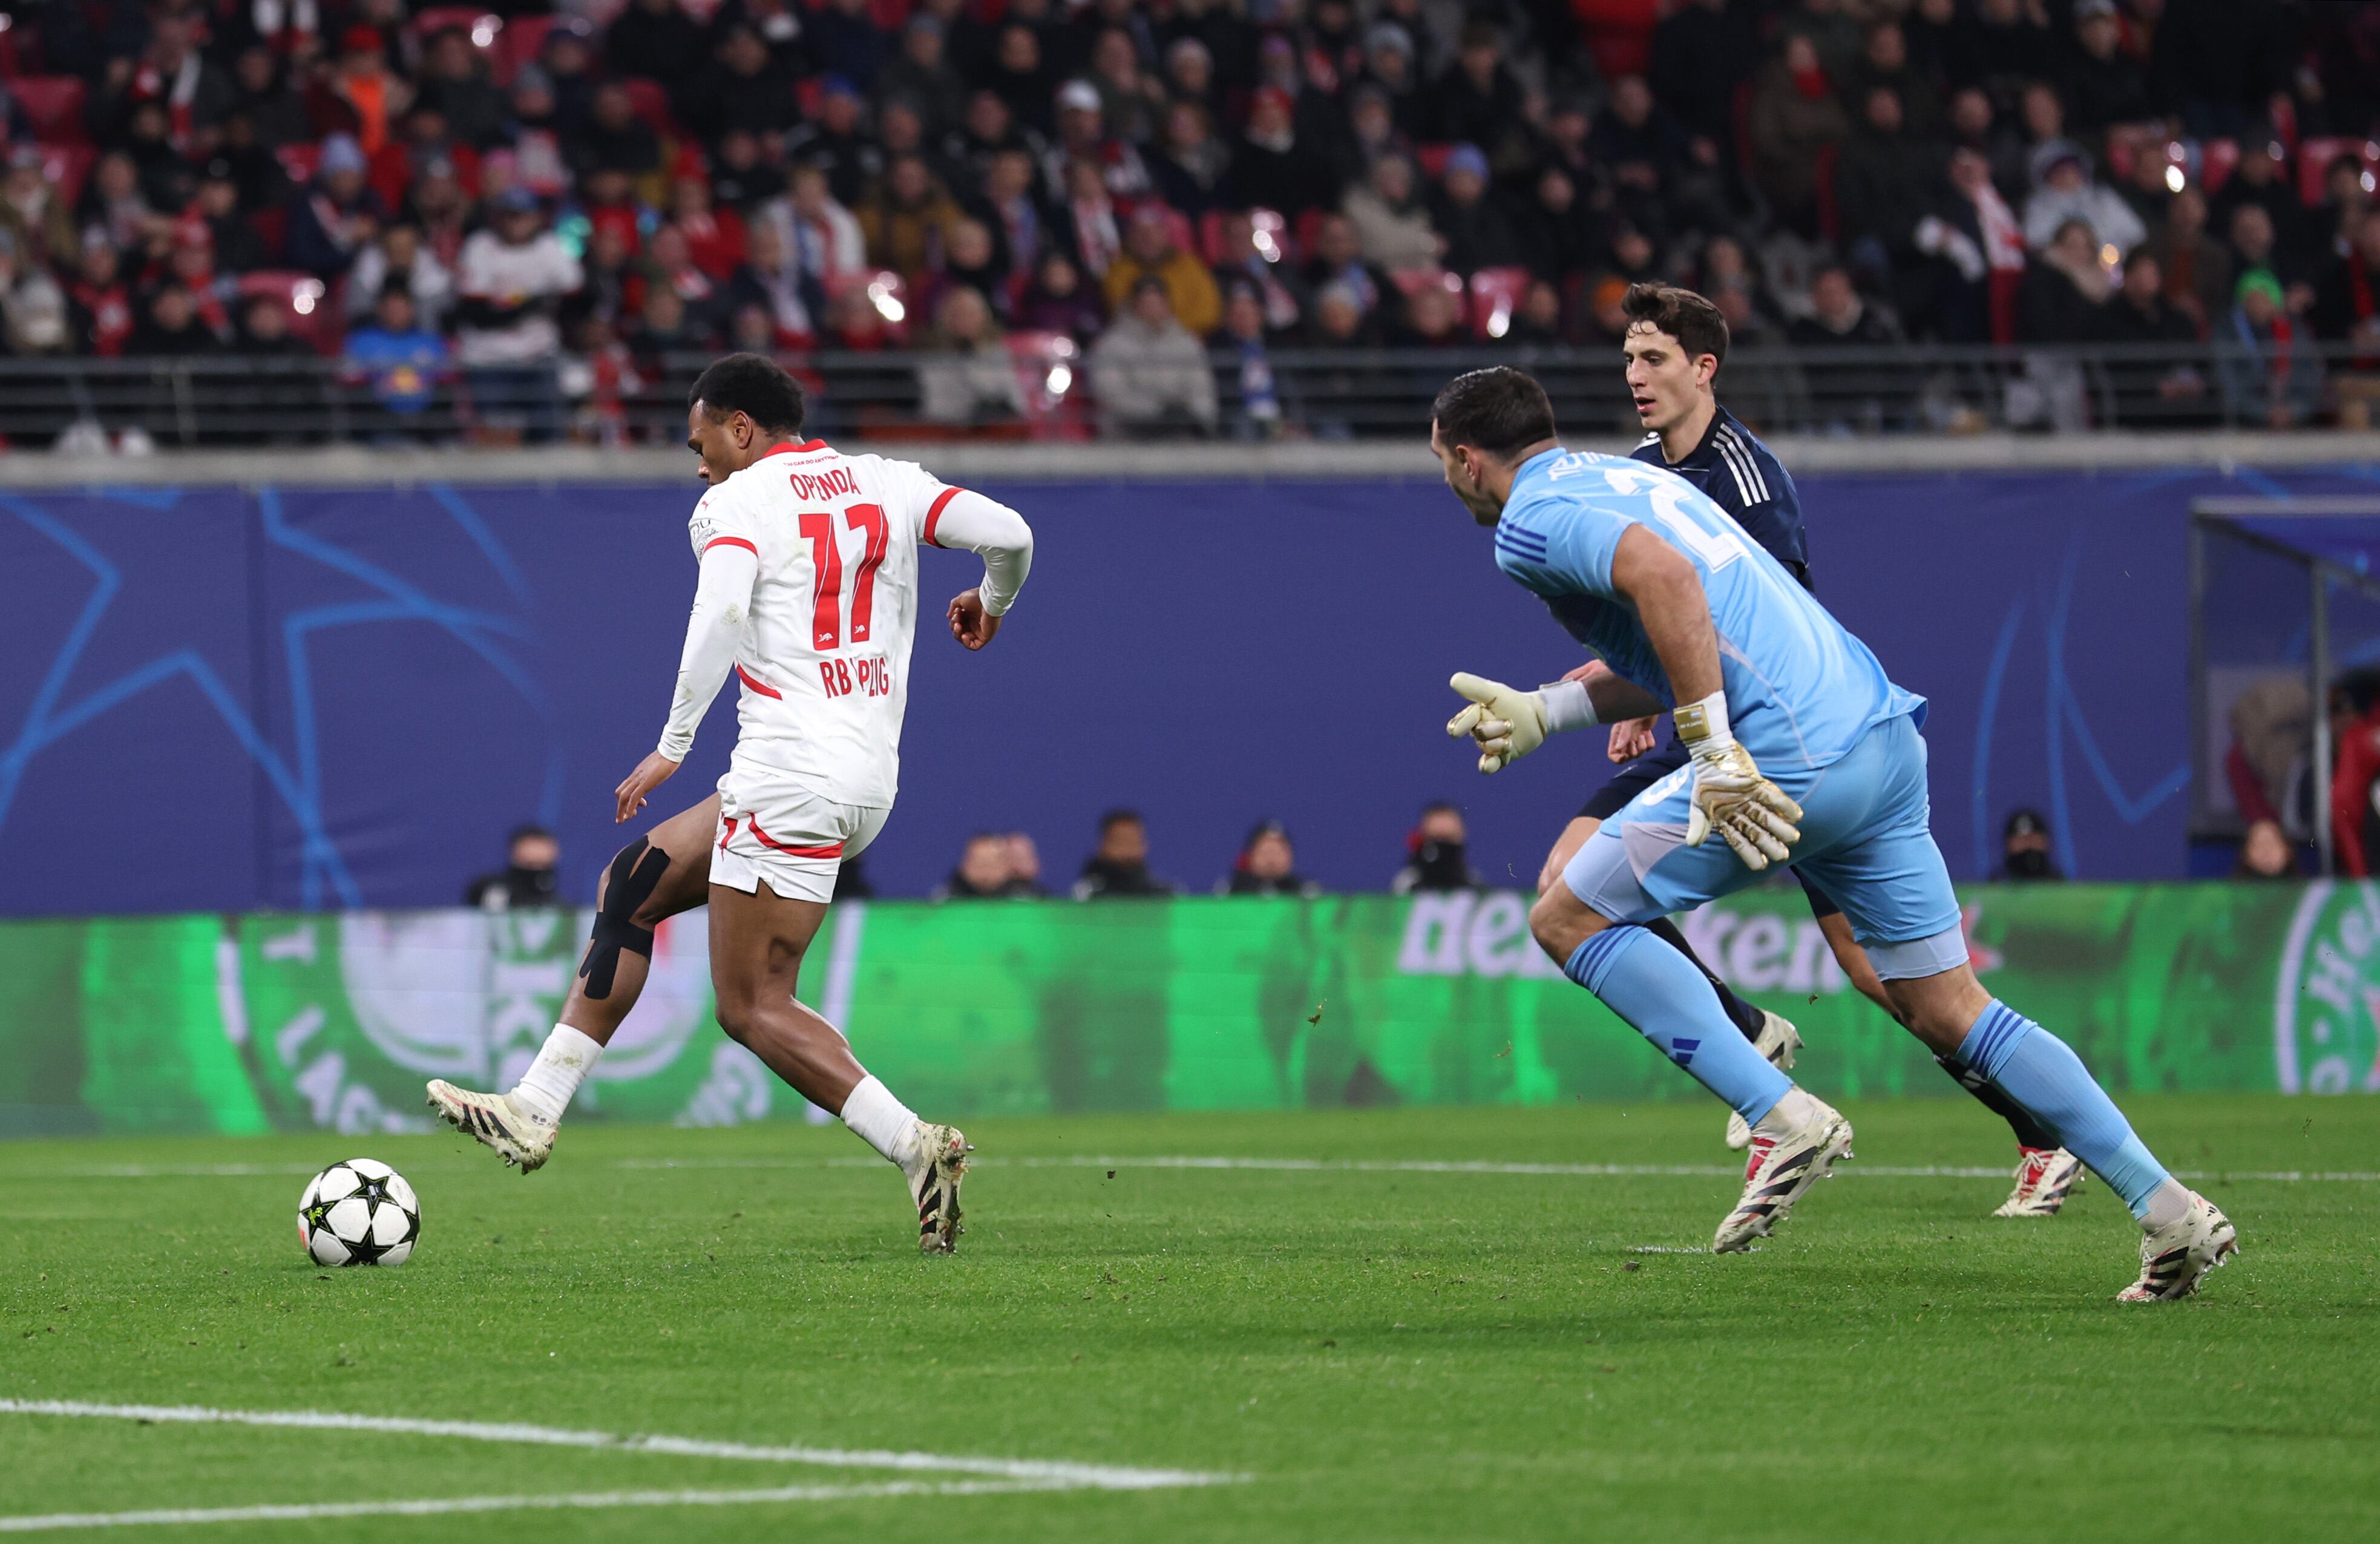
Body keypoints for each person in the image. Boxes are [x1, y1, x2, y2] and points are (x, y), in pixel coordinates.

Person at [1430, 365, 2234, 1297]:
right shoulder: (1631, 476)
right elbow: (1689, 623)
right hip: (1878, 737)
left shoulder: (1528, 520)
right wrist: (1549, 708)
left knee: (1567, 913)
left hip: (1787, 758)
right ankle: (2168, 1208)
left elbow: (1666, 583)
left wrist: (1711, 747)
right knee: (1951, 1006)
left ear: (1464, 457)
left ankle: (1776, 1108)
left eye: (1441, 462)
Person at [427, 354, 1036, 1257]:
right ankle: (535, 1105)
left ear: (741, 426)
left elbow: (718, 613)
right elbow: (1012, 532)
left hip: (785, 775)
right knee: (631, 880)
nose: (699, 462)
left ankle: (916, 1146)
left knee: (751, 1005)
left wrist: (673, 744)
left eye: (700, 439)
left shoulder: (736, 504)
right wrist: (991, 604)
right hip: (862, 777)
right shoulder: (891, 484)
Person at [1531, 284, 2079, 1209]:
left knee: (1889, 982)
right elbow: (1649, 606)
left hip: (1786, 738)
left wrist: (1654, 696)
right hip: (1714, 740)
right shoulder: (1637, 469)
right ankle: (1748, 1031)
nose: (1635, 376)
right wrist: (1632, 688)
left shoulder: (1748, 477)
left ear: (1705, 368)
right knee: (1566, 878)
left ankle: (2042, 1132)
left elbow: (1757, 627)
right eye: (1627, 359)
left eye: (1655, 358)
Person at [1072, 809, 1175, 898]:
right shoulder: (1085, 895)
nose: (1127, 851)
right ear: (1102, 846)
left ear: (1145, 846)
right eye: (1120, 842)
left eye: (1133, 842)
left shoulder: (1163, 894)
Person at [1389, 801, 1480, 893]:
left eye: (1448, 839)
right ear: (1423, 836)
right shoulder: (1407, 883)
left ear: (1462, 836)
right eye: (1436, 838)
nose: (1443, 850)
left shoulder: (1474, 882)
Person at [465, 826, 564, 909]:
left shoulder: (557, 905)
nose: (537, 869)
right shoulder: (494, 889)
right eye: (530, 864)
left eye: (544, 864)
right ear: (515, 854)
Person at [1222, 820, 1321, 898]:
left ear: (1290, 856)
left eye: (1278, 852)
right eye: (1265, 852)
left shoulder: (1307, 894)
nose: (1271, 859)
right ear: (1251, 856)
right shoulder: (1229, 893)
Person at [934, 831, 1018, 899]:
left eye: (991, 865)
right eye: (979, 865)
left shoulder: (1023, 902)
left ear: (1007, 867)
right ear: (965, 865)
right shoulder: (944, 902)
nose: (985, 873)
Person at [2001, 809, 2063, 882]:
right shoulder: (1997, 884)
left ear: (2045, 842)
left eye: (2033, 839)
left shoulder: (2059, 884)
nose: (2028, 845)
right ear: (2009, 844)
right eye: (2021, 840)